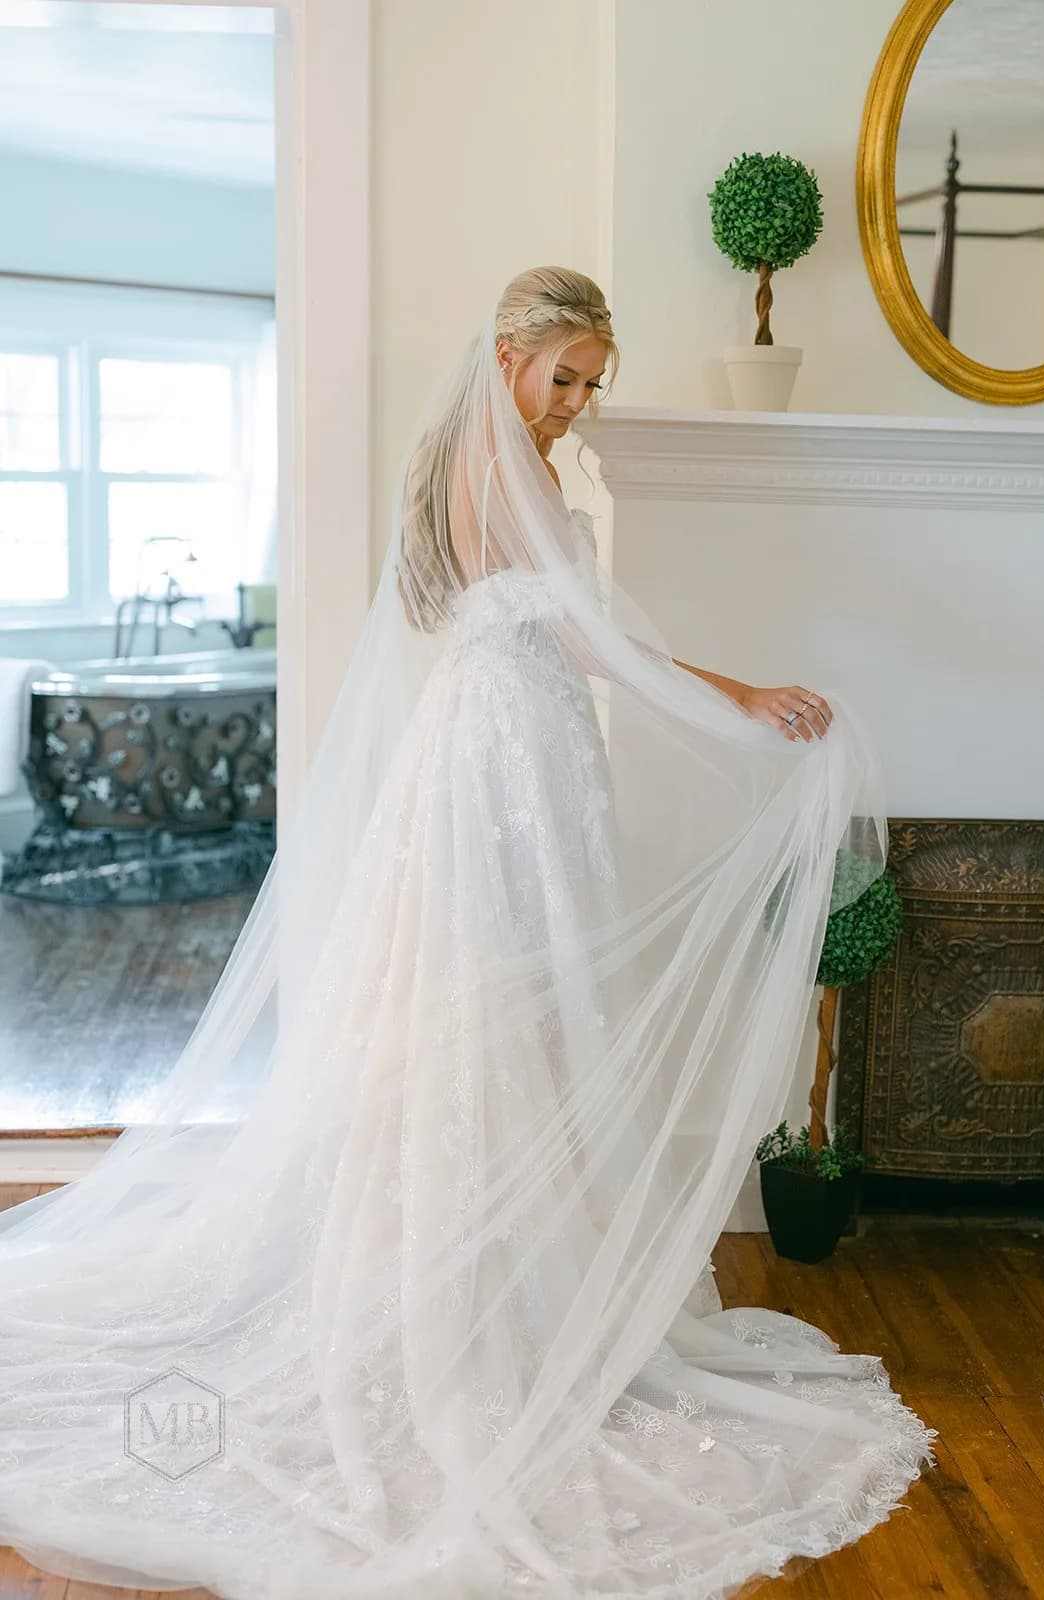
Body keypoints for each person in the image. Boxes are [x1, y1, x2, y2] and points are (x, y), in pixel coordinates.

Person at [0, 266, 937, 1599]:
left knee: (494, 1012)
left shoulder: (463, 465)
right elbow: (602, 645)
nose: (576, 407)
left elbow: (574, 640)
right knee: (501, 1004)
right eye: (566, 378)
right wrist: (750, 701)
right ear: (510, 357)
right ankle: (471, 1314)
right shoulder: (507, 476)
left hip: (502, 748)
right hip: (512, 755)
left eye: (592, 385)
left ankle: (487, 1279)